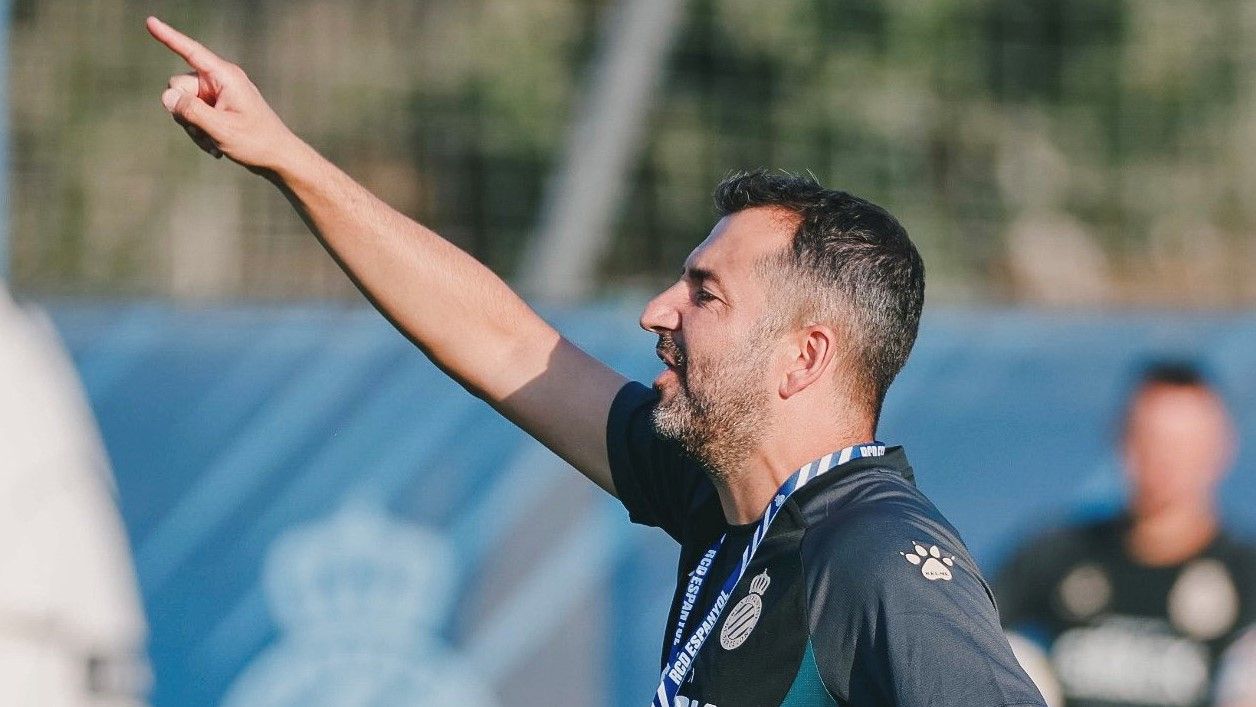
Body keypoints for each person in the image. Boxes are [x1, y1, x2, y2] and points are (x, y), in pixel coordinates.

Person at [145, 17, 1045, 706]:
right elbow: (501, 341)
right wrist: (287, 158)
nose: (659, 310)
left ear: (803, 357)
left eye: (705, 292)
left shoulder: (876, 554)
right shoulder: (726, 501)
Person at [996, 361, 1256, 707]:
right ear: (1121, 438)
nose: (1166, 459)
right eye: (1151, 438)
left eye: (1183, 443)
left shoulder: (1245, 575)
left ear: (1222, 446)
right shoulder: (1055, 557)